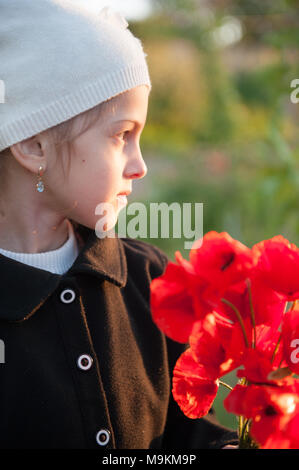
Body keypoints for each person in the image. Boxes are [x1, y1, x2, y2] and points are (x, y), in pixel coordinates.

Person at [0, 0, 238, 449]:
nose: (140, 165)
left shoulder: (149, 279)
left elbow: (184, 433)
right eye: (122, 135)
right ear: (33, 145)